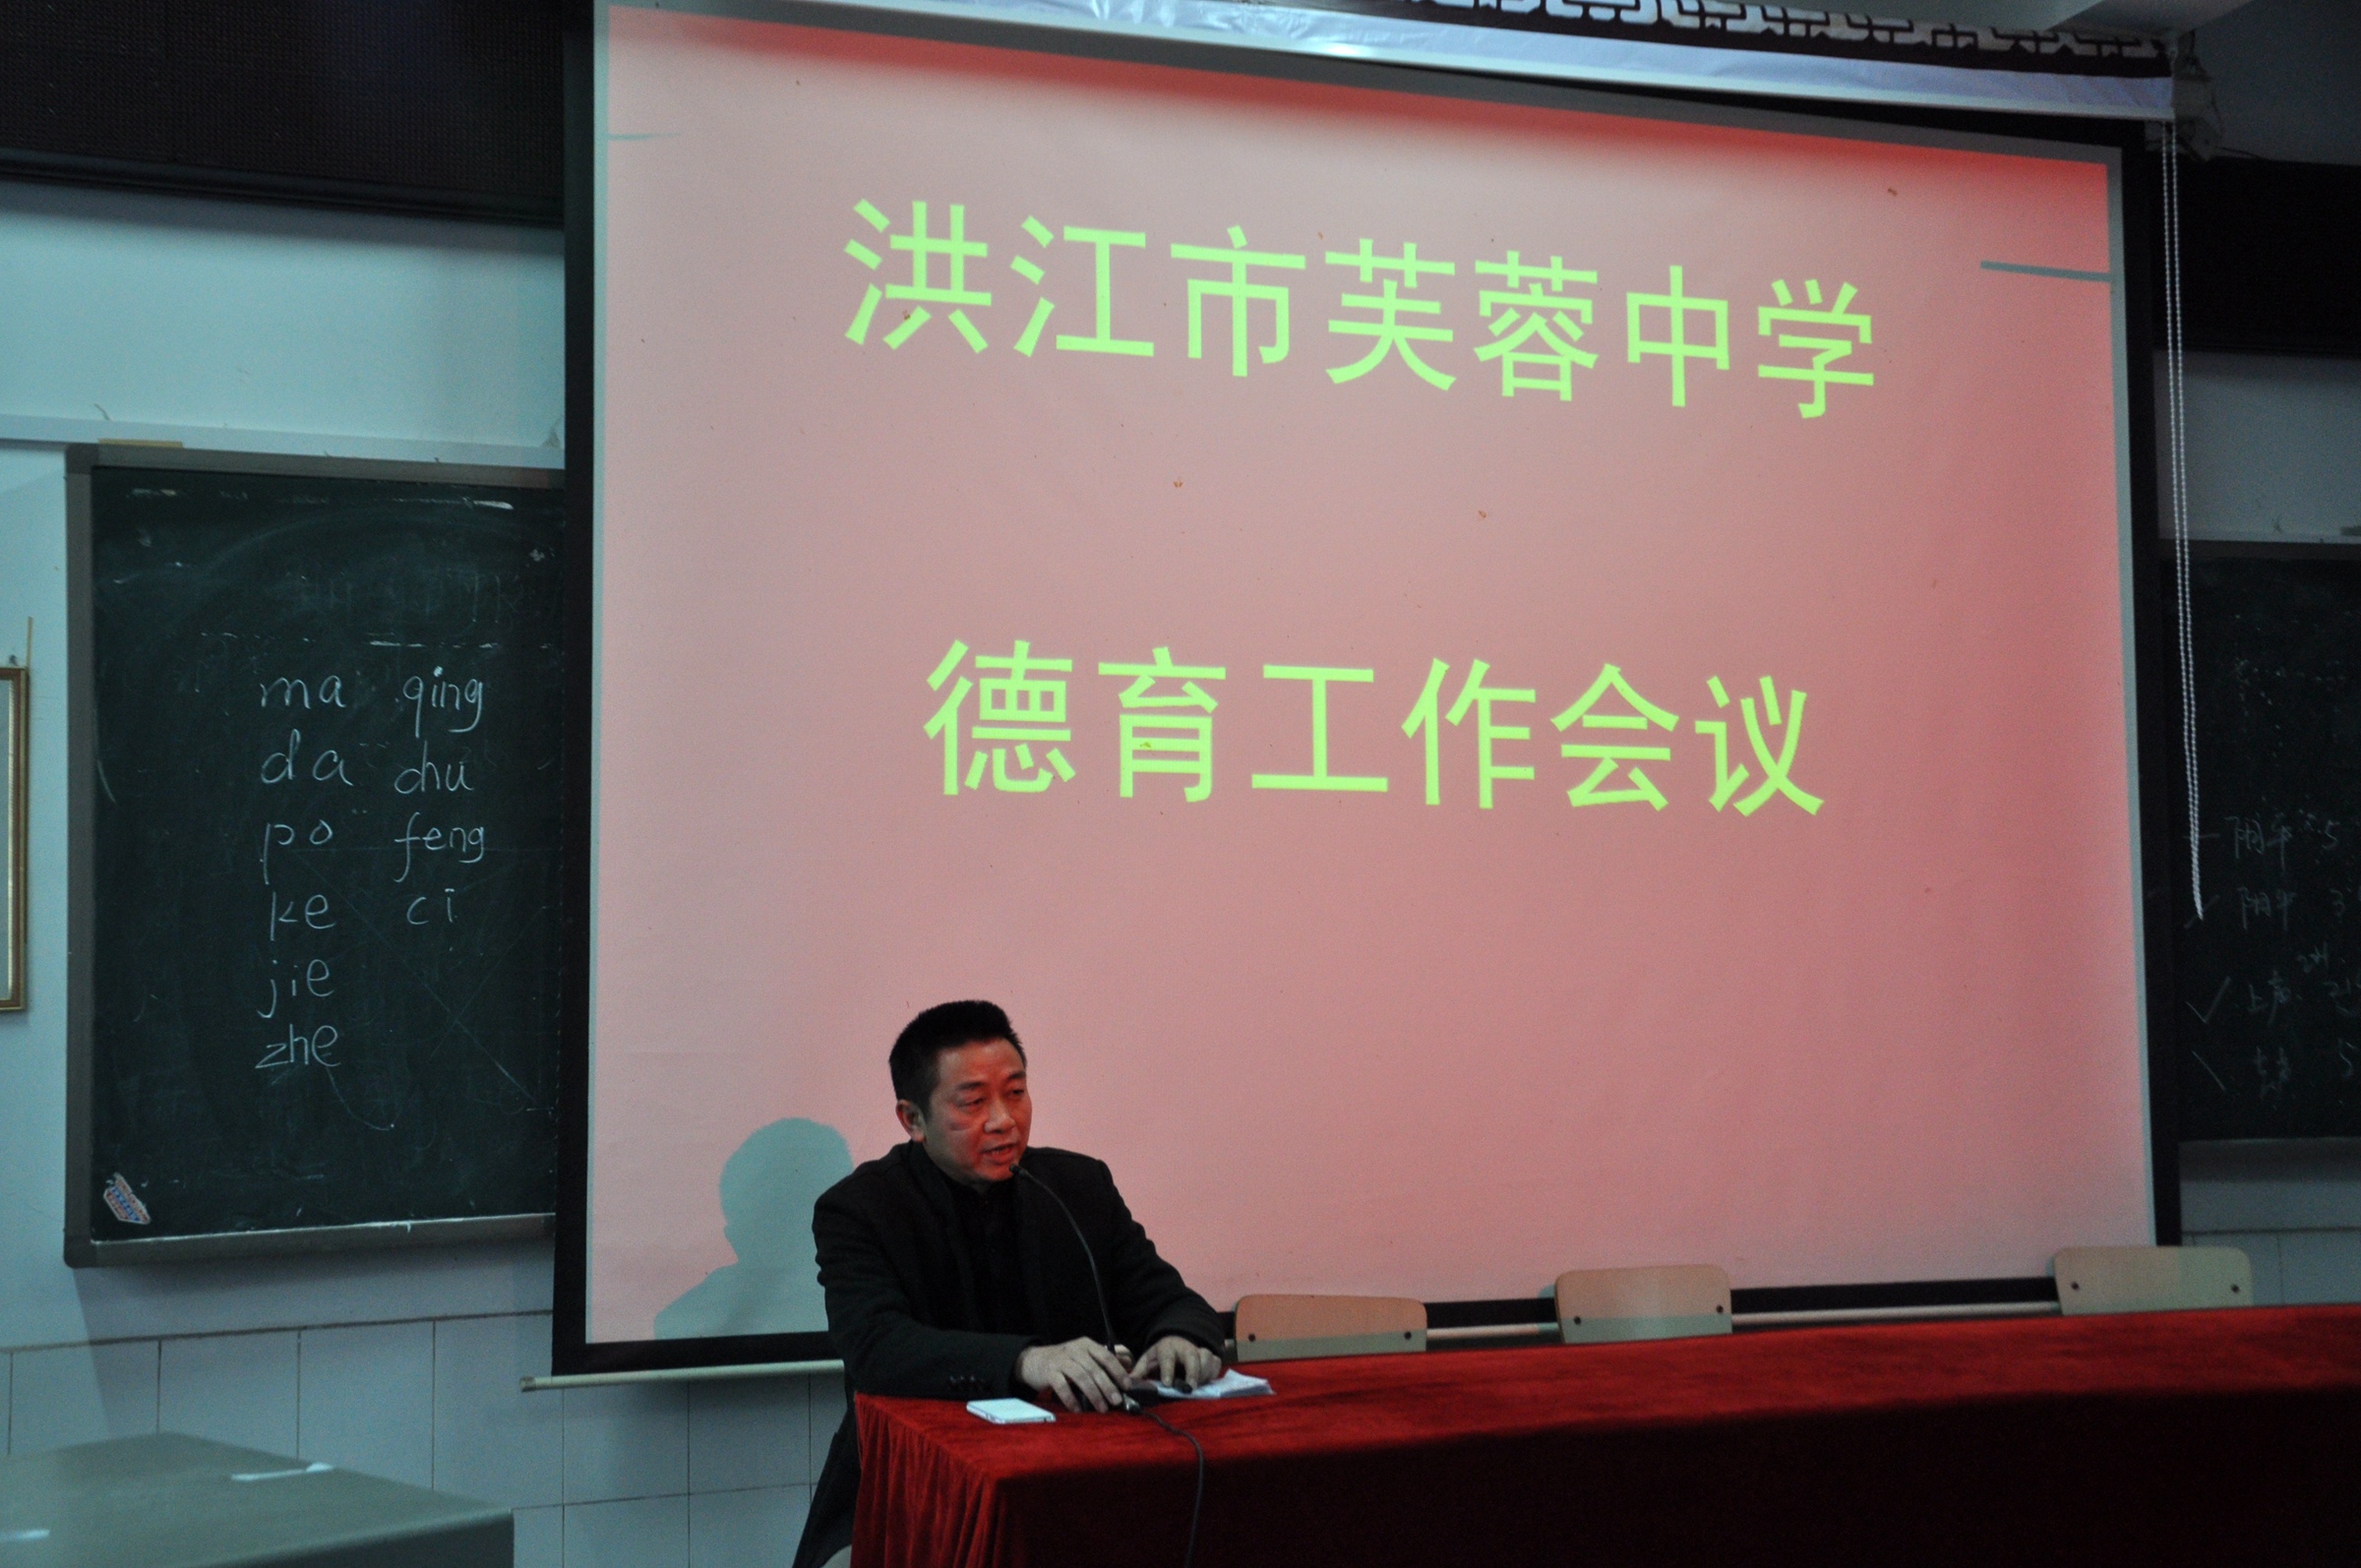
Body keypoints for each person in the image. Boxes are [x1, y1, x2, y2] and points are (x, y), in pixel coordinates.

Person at [791, 1000, 1226, 1568]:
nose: (1003, 1120)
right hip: (916, 1489)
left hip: (1072, 1475)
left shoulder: (1079, 1185)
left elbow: (1168, 1299)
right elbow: (876, 1346)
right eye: (973, 1102)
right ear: (912, 1120)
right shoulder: (861, 1209)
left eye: (1016, 1093)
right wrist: (1025, 1361)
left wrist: (1179, 1336)